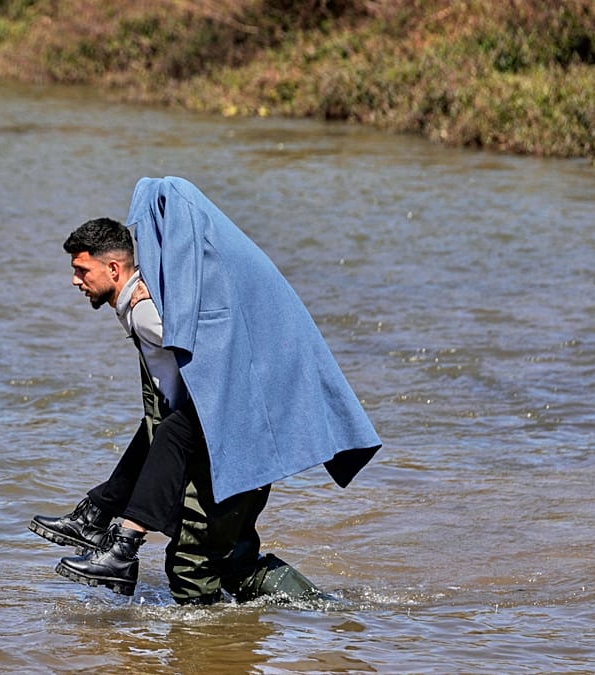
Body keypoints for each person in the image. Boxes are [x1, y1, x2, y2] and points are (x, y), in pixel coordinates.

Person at [29, 176, 381, 601]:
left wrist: (154, 299)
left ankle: (142, 567)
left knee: (192, 564)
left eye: (82, 271)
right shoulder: (184, 298)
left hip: (232, 447)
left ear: (115, 269)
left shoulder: (154, 312)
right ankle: (330, 614)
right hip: (233, 447)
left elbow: (189, 382)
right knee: (234, 562)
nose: (75, 281)